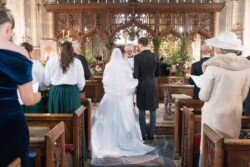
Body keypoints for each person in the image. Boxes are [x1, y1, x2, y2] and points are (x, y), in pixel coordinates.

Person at [91, 48, 158, 166]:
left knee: (110, 120)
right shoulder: (125, 65)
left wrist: (110, 91)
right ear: (122, 54)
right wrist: (129, 91)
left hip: (110, 97)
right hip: (122, 99)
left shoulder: (109, 65)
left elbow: (105, 80)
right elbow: (130, 80)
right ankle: (125, 140)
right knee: (125, 120)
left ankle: (109, 141)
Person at [198, 31, 250, 166]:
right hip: (233, 114)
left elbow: (203, 96)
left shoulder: (213, 66)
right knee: (229, 151)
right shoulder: (246, 67)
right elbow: (243, 95)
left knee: (209, 151)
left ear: (221, 48)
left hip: (213, 117)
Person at [0, 4, 41, 166]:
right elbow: (29, 99)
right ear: (8, 28)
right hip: (8, 121)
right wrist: (37, 95)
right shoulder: (18, 52)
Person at [44, 41, 85, 113]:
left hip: (56, 92)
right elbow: (81, 83)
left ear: (60, 49)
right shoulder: (77, 62)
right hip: (72, 92)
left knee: (56, 119)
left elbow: (46, 82)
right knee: (73, 119)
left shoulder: (51, 61)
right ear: (72, 50)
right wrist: (78, 89)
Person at [133, 37, 161, 141]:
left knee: (142, 109)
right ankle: (151, 134)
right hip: (152, 84)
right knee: (153, 109)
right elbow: (158, 73)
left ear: (140, 44)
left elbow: (136, 75)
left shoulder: (137, 57)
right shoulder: (155, 56)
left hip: (141, 84)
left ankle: (143, 134)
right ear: (147, 44)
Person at [21, 42, 44, 113]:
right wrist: (41, 88)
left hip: (19, 95)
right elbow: (41, 80)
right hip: (32, 94)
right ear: (30, 52)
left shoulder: (15, 62)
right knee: (34, 120)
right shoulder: (36, 63)